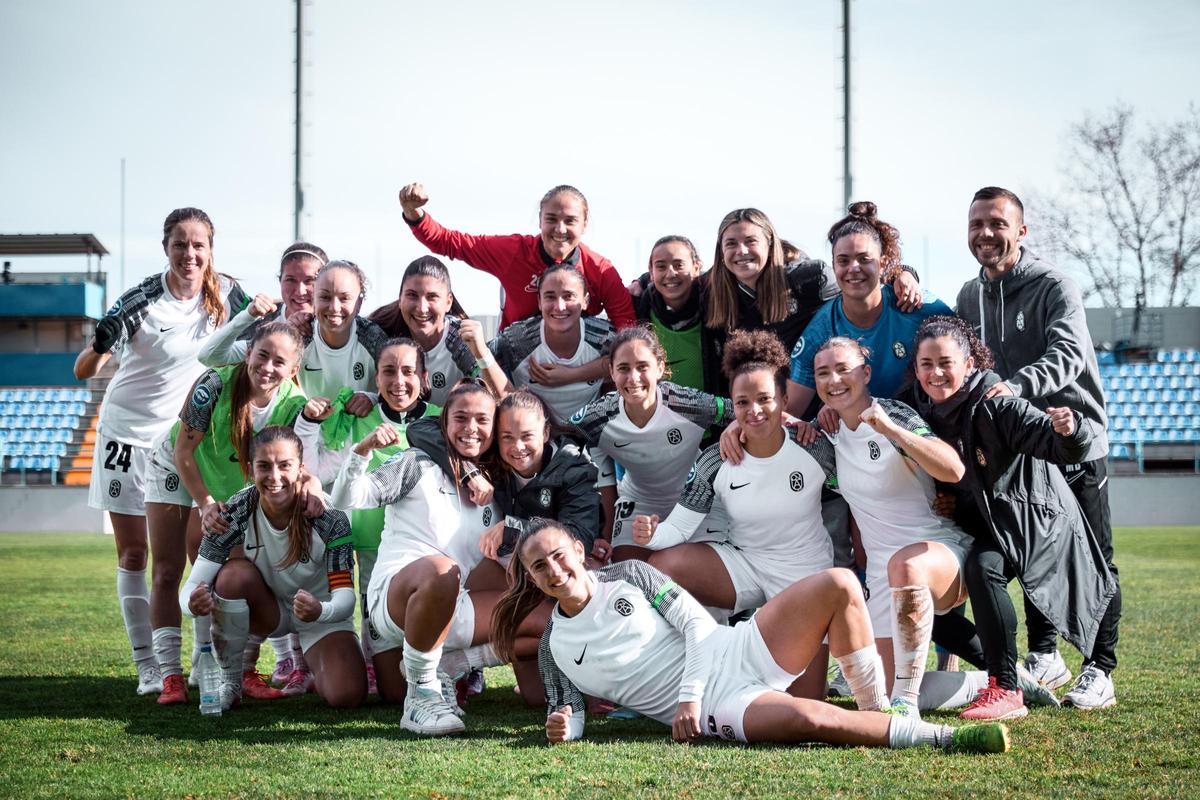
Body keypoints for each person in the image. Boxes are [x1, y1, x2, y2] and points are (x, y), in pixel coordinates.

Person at [489, 520, 1010, 753]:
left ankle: (883, 709)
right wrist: (565, 725)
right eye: (539, 567)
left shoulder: (628, 575)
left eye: (558, 555)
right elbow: (569, 711)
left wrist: (686, 696)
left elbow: (696, 624)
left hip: (731, 648)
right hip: (720, 704)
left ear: (579, 551)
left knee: (839, 582)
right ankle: (944, 739)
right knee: (812, 719)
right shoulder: (556, 645)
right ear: (532, 579)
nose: (553, 569)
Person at [810, 336, 1056, 717]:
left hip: (938, 555)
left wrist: (891, 430)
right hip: (881, 575)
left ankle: (906, 707)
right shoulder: (826, 431)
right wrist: (735, 430)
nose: (834, 380)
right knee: (876, 697)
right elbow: (771, 434)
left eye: (844, 369)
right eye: (823, 373)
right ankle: (1002, 679)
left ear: (866, 373)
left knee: (905, 568)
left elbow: (953, 467)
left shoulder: (895, 413)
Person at [955, 186, 1119, 709]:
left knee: (1094, 559)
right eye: (976, 223)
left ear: (1020, 231)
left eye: (997, 223)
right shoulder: (966, 296)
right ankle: (1046, 655)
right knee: (1030, 552)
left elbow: (1068, 353)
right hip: (1018, 448)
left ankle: (1102, 669)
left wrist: (1016, 387)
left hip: (1074, 440)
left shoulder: (1054, 285)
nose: (985, 233)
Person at [73, 207, 247, 698]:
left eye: (199, 246)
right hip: (126, 439)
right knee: (135, 553)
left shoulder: (229, 294)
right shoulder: (141, 300)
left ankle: (201, 662)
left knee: (199, 556)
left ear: (211, 249)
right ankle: (148, 665)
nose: (190, 254)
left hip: (181, 447)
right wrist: (100, 341)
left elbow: (268, 335)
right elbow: (84, 369)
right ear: (165, 247)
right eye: (180, 244)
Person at [908, 315, 1117, 720]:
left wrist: (1069, 432)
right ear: (915, 368)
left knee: (1081, 580)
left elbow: (1052, 442)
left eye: (946, 362)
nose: (936, 373)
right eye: (926, 364)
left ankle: (1045, 681)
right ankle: (1011, 679)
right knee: (933, 591)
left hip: (1030, 521)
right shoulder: (919, 407)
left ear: (969, 364)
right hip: (983, 526)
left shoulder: (995, 402)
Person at [329, 382, 549, 735]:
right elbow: (347, 500)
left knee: (549, 613)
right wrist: (362, 452)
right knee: (442, 570)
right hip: (402, 599)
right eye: (460, 418)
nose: (471, 428)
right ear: (444, 422)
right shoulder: (416, 463)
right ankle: (420, 698)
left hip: (460, 602)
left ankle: (449, 665)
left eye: (482, 419)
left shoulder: (500, 479)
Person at [631, 330, 836, 697]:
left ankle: (963, 684)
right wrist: (652, 535)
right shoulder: (716, 458)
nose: (754, 411)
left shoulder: (813, 446)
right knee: (662, 566)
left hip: (802, 575)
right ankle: (689, 662)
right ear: (733, 405)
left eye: (764, 399)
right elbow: (678, 527)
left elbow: (862, 490)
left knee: (806, 701)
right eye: (743, 403)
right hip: (744, 565)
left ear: (785, 400)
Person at [143, 320, 312, 704]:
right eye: (262, 355)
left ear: (293, 369)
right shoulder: (213, 385)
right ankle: (171, 676)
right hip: (176, 465)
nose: (268, 366)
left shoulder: (294, 405)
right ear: (248, 352)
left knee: (229, 574)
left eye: (279, 361)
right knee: (169, 568)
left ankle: (235, 669)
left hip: (228, 484)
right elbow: (183, 452)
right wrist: (204, 503)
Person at [179, 426, 366, 710]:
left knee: (347, 696)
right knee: (231, 577)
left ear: (300, 468)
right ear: (250, 468)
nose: (274, 476)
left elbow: (345, 598)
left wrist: (321, 610)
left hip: (320, 616)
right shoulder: (236, 511)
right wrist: (192, 604)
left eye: (285, 465)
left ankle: (314, 662)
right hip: (269, 610)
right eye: (264, 466)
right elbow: (192, 586)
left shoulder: (329, 516)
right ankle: (231, 680)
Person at [296, 337, 442, 692]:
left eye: (408, 371)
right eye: (388, 372)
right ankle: (375, 662)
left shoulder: (441, 420)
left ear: (424, 378)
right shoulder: (359, 418)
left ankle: (447, 669)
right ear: (375, 379)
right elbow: (323, 466)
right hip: (370, 539)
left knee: (427, 602)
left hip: (426, 544)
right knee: (373, 606)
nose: (398, 381)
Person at [703, 208, 923, 398]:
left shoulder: (809, 279)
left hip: (814, 409)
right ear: (721, 252)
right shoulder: (711, 294)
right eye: (731, 243)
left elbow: (859, 278)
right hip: (754, 410)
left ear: (770, 244)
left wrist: (904, 274)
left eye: (751, 241)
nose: (741, 251)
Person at [568, 326, 734, 562]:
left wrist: (737, 425)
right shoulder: (597, 416)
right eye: (623, 368)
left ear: (660, 368)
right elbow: (552, 435)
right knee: (627, 574)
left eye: (642, 367)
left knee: (676, 571)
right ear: (611, 372)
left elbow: (745, 411)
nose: (633, 378)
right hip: (639, 503)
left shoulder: (687, 403)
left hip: (696, 499)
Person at [398, 182, 636, 331]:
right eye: (551, 219)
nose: (560, 229)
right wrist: (414, 214)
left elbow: (627, 328)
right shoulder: (514, 252)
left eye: (570, 221)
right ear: (540, 220)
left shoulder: (601, 270)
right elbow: (452, 243)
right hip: (518, 368)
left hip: (581, 375)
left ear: (585, 225)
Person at [788, 201, 949, 418]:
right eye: (843, 261)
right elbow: (789, 413)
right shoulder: (821, 329)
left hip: (922, 434)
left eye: (864, 259)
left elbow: (968, 365)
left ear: (883, 264)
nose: (854, 268)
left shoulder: (920, 306)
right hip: (855, 441)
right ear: (834, 266)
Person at [202, 259, 388, 413]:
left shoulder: (372, 337)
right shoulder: (297, 335)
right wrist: (248, 315)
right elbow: (210, 356)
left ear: (359, 303)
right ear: (313, 299)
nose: (334, 307)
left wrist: (372, 398)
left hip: (360, 448)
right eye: (325, 297)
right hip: (307, 443)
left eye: (345, 298)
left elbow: (403, 389)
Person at [489, 264, 616, 423]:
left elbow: (637, 361)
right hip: (532, 439)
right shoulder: (518, 341)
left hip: (589, 437)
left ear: (585, 301)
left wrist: (572, 375)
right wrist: (511, 398)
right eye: (550, 296)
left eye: (568, 296)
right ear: (539, 302)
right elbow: (478, 361)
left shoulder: (603, 338)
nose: (559, 307)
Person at [367, 256, 483, 407]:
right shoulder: (383, 335)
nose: (422, 308)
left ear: (448, 302)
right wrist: (369, 397)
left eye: (432, 297)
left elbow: (491, 399)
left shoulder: (461, 342)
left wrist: (483, 353)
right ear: (400, 299)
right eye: (412, 295)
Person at [196, 241, 327, 365]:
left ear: (325, 282)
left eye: (310, 280)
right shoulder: (264, 326)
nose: (300, 291)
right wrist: (248, 315)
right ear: (280, 280)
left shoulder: (339, 325)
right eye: (291, 280)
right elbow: (209, 358)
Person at [633, 236, 713, 393]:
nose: (670, 274)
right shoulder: (639, 307)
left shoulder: (718, 304)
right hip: (661, 413)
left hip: (713, 412)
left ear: (696, 268)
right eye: (661, 267)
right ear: (651, 272)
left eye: (679, 265)